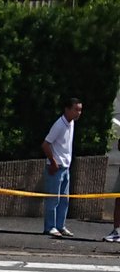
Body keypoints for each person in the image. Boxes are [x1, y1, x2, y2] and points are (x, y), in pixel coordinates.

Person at [42, 97, 81, 237]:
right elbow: (46, 144)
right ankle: (50, 226)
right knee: (53, 198)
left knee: (64, 199)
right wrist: (53, 162)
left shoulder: (71, 124)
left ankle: (60, 225)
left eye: (80, 110)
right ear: (67, 109)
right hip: (56, 166)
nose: (78, 113)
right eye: (75, 110)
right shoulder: (59, 125)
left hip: (66, 167)